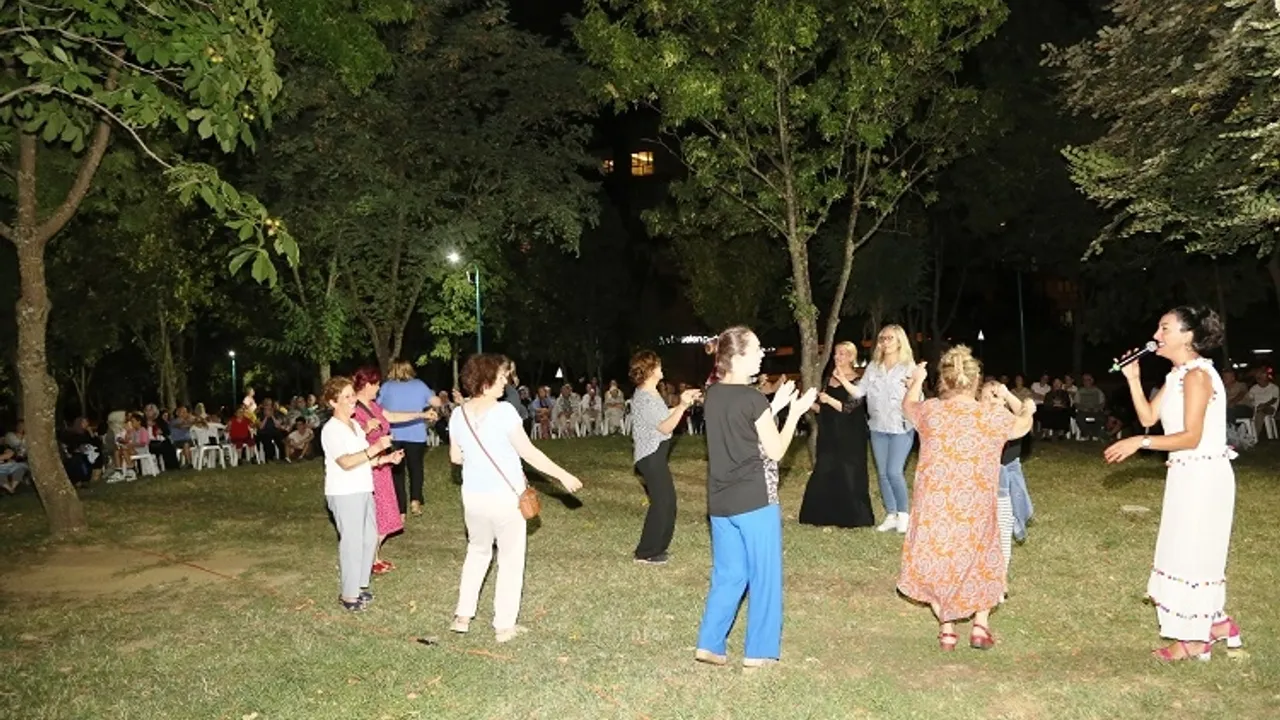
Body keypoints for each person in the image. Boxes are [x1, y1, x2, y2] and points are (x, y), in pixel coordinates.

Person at [1104, 306, 1242, 660]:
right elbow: (1149, 416)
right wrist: (1133, 379)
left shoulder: (1198, 376)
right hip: (1186, 474)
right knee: (1184, 550)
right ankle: (1216, 623)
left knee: (1193, 554)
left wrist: (1139, 442)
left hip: (1204, 477)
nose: (1156, 336)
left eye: (1164, 328)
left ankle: (1194, 640)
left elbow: (1191, 437)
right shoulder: (1177, 375)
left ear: (1188, 335)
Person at [898, 346, 1034, 651]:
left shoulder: (931, 411)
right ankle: (980, 627)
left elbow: (907, 406)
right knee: (981, 559)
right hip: (975, 506)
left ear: (943, 380)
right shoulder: (991, 415)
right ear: (975, 381)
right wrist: (1027, 407)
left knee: (940, 560)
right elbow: (1023, 426)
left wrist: (916, 380)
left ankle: (947, 630)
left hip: (935, 506)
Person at [695, 326, 816, 669]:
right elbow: (774, 451)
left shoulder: (713, 395)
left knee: (729, 574)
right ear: (736, 357)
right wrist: (795, 413)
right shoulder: (752, 399)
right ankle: (759, 651)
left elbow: (743, 428)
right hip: (755, 500)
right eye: (757, 349)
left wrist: (774, 406)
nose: (763, 354)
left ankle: (710, 644)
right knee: (765, 575)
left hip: (721, 503)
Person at [449, 354, 583, 643]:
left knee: (477, 552)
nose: (505, 382)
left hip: (473, 497)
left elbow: (455, 457)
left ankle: (462, 616)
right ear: (485, 382)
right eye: (500, 378)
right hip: (504, 497)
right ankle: (504, 626)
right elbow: (529, 453)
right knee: (510, 560)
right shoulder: (505, 412)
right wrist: (562, 476)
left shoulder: (458, 414)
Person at [321, 376, 402, 611]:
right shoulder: (331, 430)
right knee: (352, 542)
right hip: (344, 493)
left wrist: (385, 459)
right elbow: (346, 462)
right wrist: (375, 448)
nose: (352, 400)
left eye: (352, 395)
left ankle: (359, 586)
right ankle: (349, 595)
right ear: (333, 402)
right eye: (346, 397)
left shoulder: (355, 426)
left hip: (364, 488)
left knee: (369, 538)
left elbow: (364, 458)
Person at [352, 366, 436, 573]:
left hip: (383, 463)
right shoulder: (355, 410)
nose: (379, 389)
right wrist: (365, 429)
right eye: (376, 384)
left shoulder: (372, 405)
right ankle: (368, 560)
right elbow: (349, 438)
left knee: (385, 511)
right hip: (370, 465)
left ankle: (374, 557)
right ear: (366, 385)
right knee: (378, 512)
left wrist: (421, 414)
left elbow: (392, 416)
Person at [629, 350, 701, 565]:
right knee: (662, 503)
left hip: (655, 455)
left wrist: (682, 404)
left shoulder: (650, 393)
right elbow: (665, 427)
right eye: (658, 365)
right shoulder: (645, 397)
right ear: (650, 370)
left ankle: (656, 549)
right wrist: (683, 406)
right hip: (650, 455)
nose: (662, 368)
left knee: (666, 501)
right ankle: (645, 552)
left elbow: (662, 416)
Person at [849, 325, 917, 533]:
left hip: (901, 426)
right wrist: (842, 379)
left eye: (890, 338)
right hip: (878, 426)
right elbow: (859, 392)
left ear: (900, 342)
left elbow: (918, 398)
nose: (885, 342)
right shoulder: (873, 367)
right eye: (882, 338)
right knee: (883, 473)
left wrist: (914, 385)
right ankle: (891, 514)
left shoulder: (908, 367)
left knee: (894, 471)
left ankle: (904, 515)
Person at [798, 342, 874, 528]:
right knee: (825, 469)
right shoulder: (828, 380)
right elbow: (822, 409)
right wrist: (806, 403)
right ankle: (821, 515)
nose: (837, 357)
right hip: (829, 432)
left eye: (842, 353)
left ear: (851, 357)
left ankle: (853, 517)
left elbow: (849, 408)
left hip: (850, 434)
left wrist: (829, 399)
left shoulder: (858, 381)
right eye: (836, 353)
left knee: (849, 472)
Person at [981, 381, 1035, 579]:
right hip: (989, 476)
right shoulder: (980, 420)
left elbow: (1023, 417)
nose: (992, 401)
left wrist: (1007, 395)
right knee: (993, 523)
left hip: (1009, 473)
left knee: (1006, 520)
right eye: (986, 398)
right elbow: (1026, 415)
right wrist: (1027, 408)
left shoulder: (1008, 418)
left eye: (996, 397)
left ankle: (1001, 571)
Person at [378, 360, 442, 517]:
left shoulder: (387, 387)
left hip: (394, 434)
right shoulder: (419, 385)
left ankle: (401, 509)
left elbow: (378, 406)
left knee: (397, 471)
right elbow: (437, 402)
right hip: (416, 434)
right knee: (416, 468)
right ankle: (415, 501)